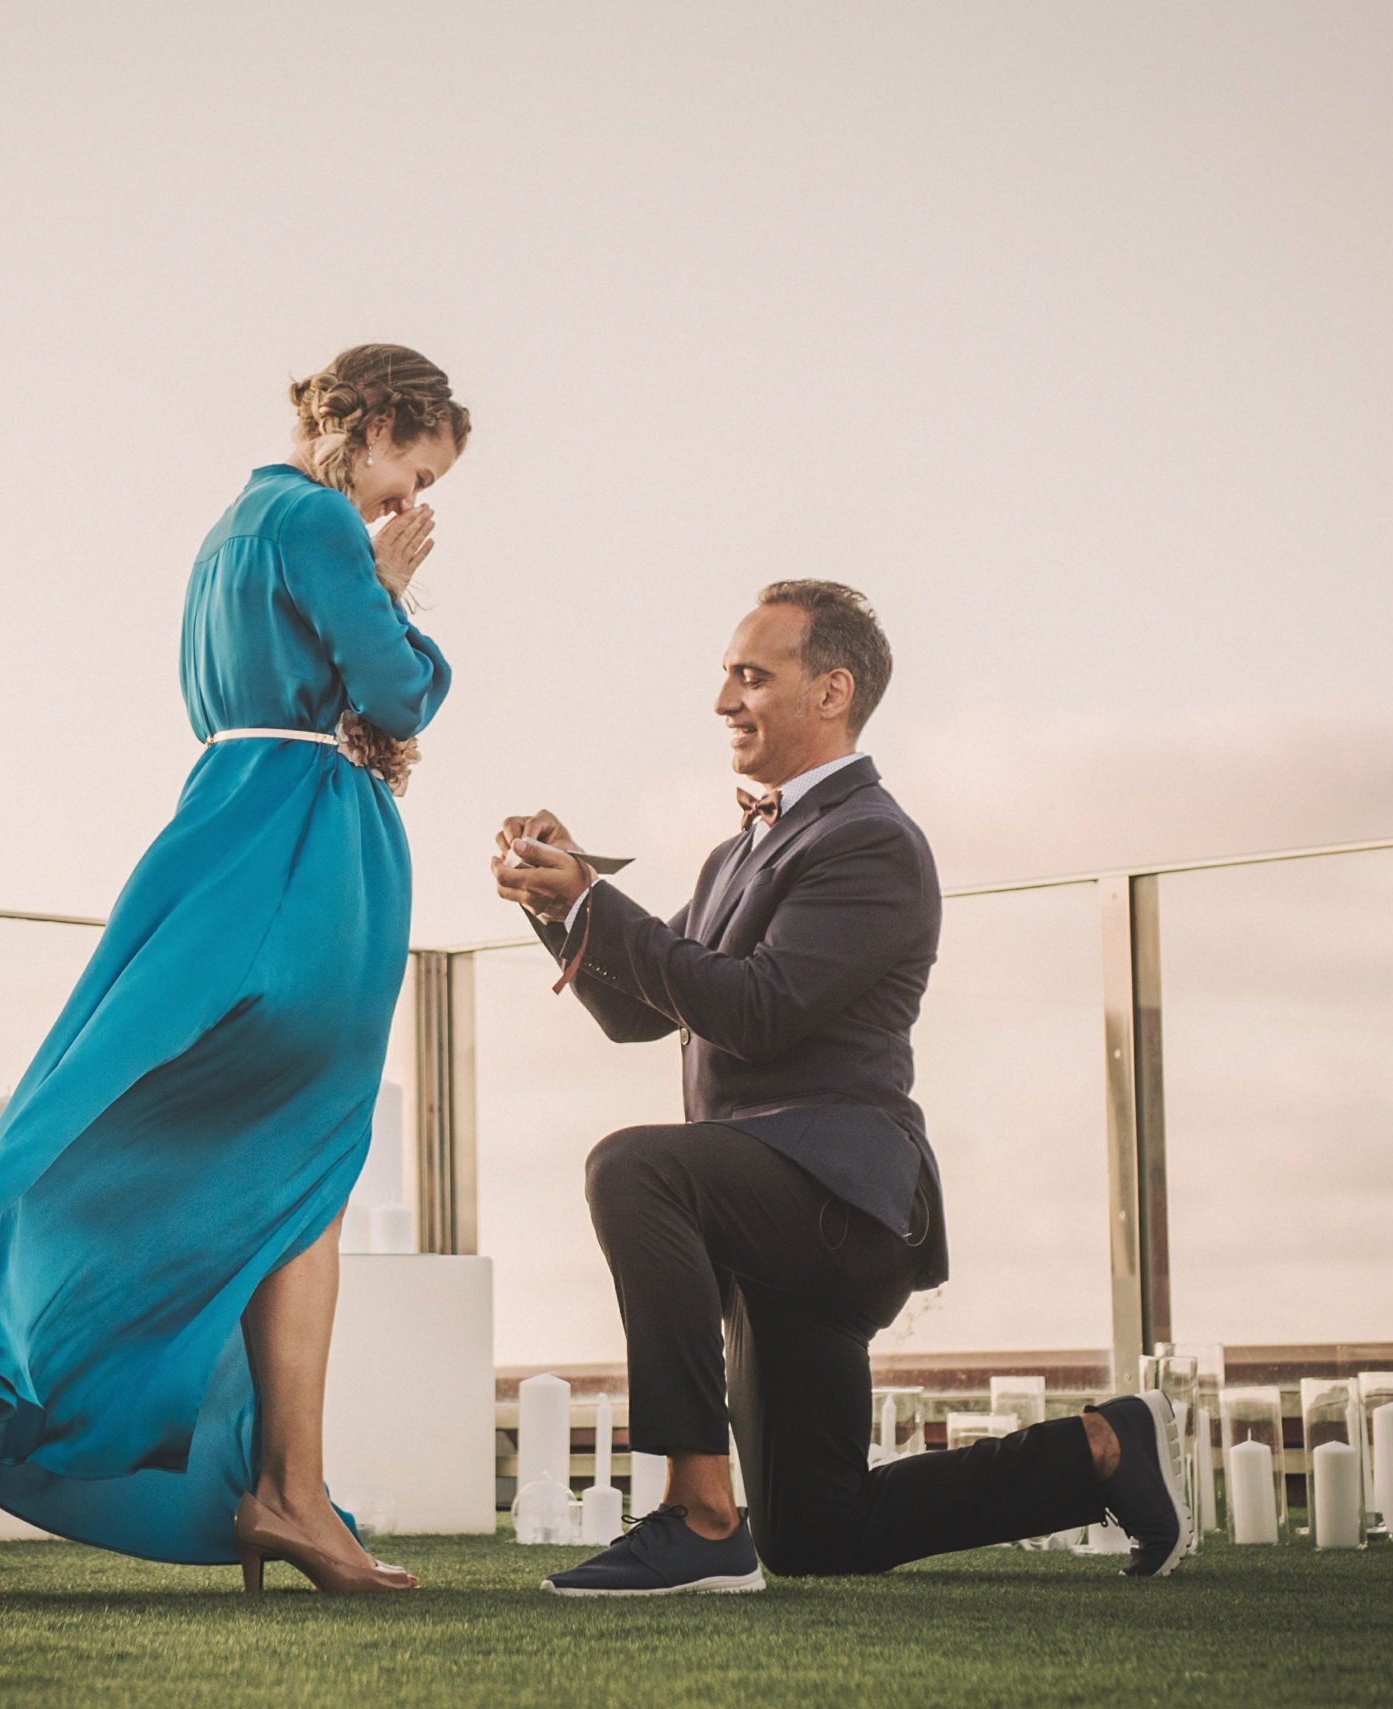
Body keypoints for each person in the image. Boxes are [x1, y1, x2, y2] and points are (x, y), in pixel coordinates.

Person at [0, 345, 469, 1594]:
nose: (409, 511)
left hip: (227, 825)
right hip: (303, 850)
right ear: (366, 429)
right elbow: (396, 696)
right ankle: (288, 1495)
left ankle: (283, 1489)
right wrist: (396, 591)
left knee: (267, 1157)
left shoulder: (231, 526)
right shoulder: (316, 517)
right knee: (303, 1165)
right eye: (409, 477)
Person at [491, 581, 1191, 1594]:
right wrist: (561, 904)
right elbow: (642, 1010)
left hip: (837, 1205)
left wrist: (598, 899)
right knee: (818, 1530)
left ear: (832, 690)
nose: (725, 699)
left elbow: (758, 1009)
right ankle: (1103, 1449)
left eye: (750, 675)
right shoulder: (739, 852)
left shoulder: (871, 840)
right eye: (726, 675)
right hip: (761, 1211)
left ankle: (696, 1512)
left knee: (633, 1166)